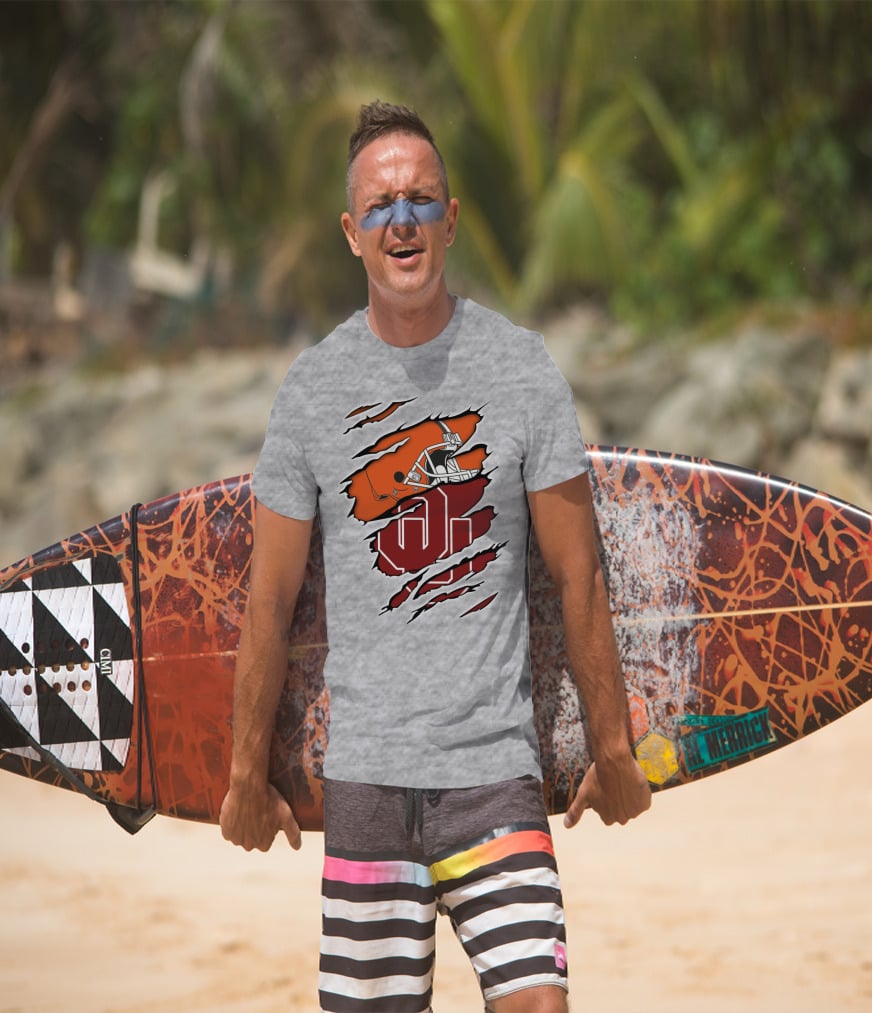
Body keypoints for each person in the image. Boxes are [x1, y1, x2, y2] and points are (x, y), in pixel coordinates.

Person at [220, 100, 651, 1013]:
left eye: (421, 200)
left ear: (450, 219)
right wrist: (242, 773)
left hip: (495, 774)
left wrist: (612, 747)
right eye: (380, 206)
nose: (402, 220)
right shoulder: (312, 391)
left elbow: (579, 575)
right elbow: (269, 601)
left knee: (540, 1003)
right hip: (368, 781)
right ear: (351, 233)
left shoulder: (521, 368)